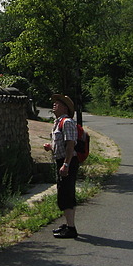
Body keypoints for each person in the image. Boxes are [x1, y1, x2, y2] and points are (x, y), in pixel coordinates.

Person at [43, 93, 79, 239]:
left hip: (68, 161)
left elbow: (70, 145)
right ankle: (68, 224)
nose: (54, 105)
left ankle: (71, 228)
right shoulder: (58, 122)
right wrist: (51, 147)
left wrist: (66, 164)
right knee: (65, 193)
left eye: (57, 103)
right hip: (62, 161)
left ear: (64, 107)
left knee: (65, 194)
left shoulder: (67, 122)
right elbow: (61, 144)